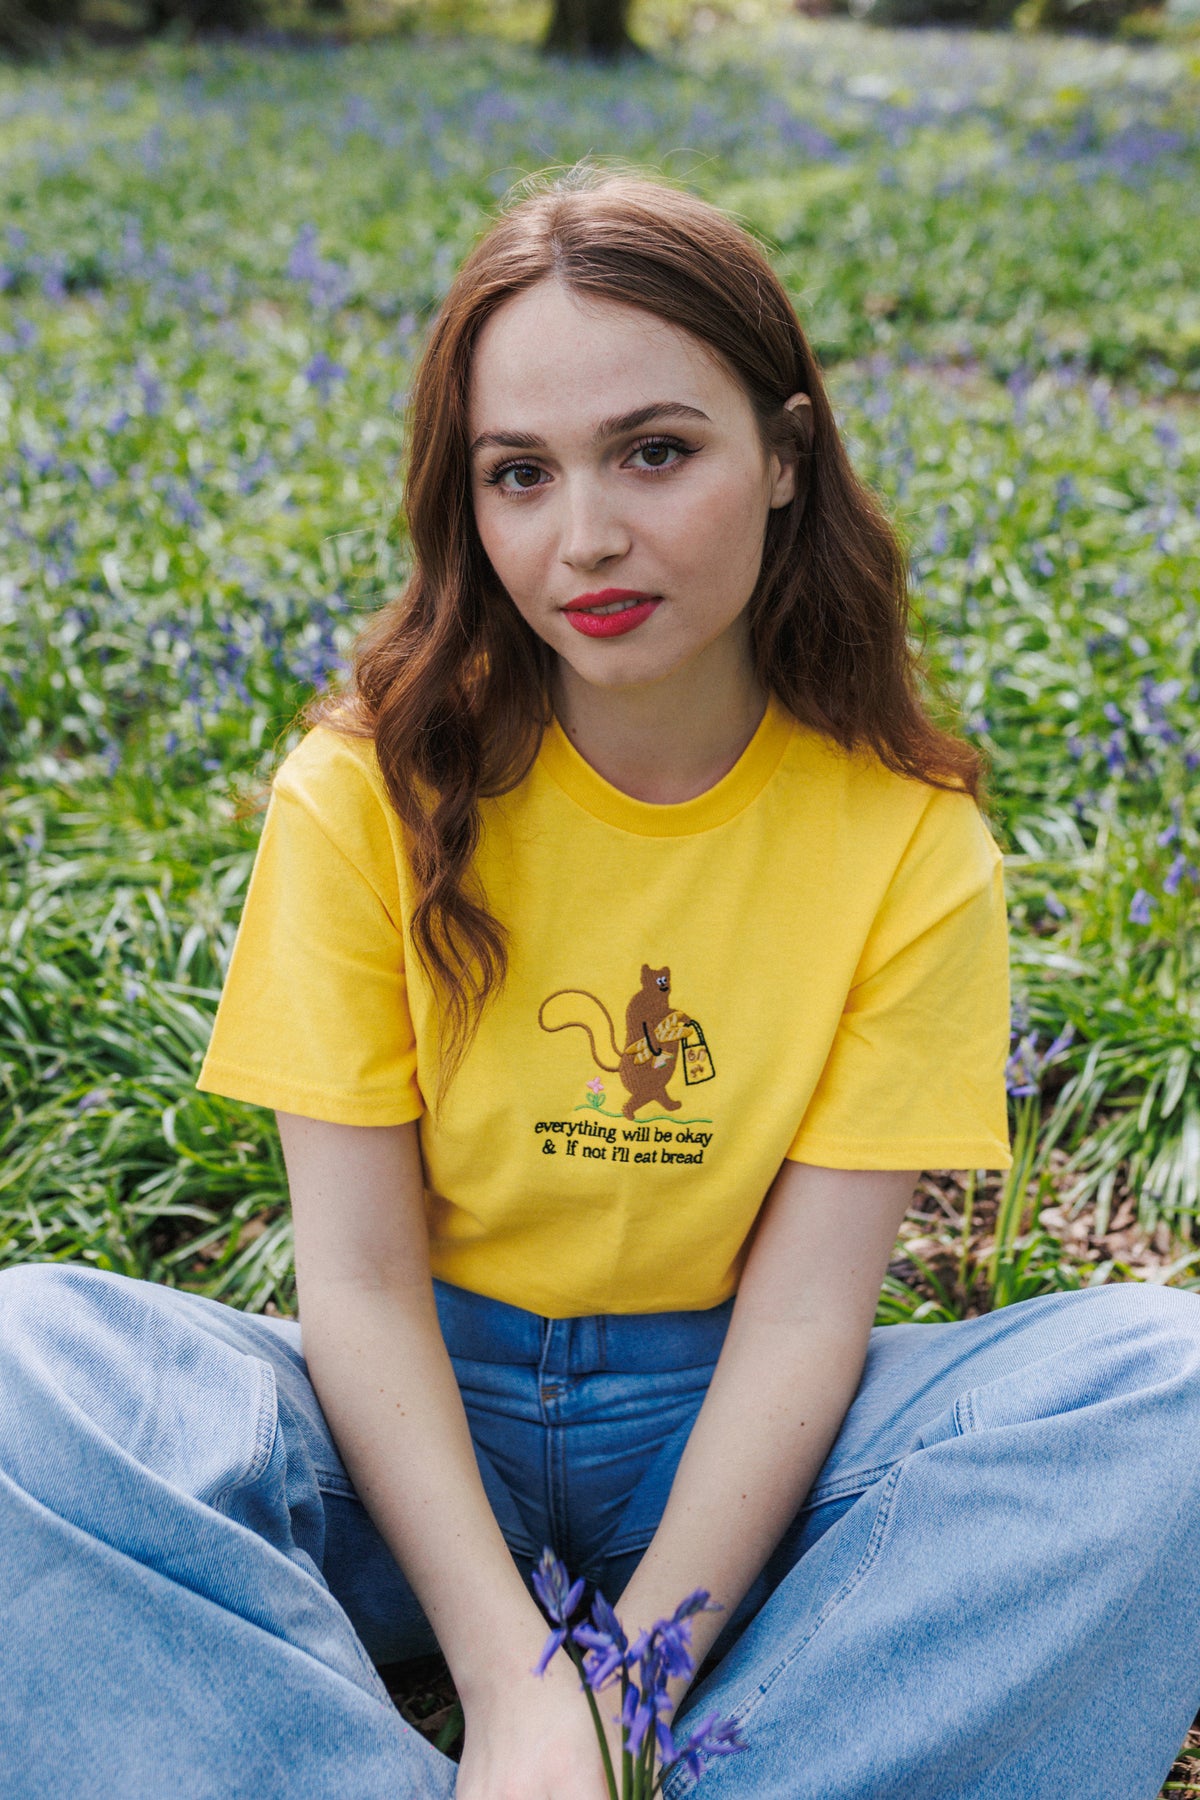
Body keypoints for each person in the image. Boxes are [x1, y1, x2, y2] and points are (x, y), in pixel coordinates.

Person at [2, 167, 1200, 1800]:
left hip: (728, 1427)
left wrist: (629, 1688)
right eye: (521, 473)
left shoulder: (908, 845)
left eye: (656, 450)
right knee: (24, 1363)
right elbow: (353, 1287)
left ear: (784, 456)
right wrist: (509, 1685)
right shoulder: (362, 792)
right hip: (405, 1420)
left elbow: (802, 1321)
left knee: (1172, 1394)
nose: (587, 538)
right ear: (467, 501)